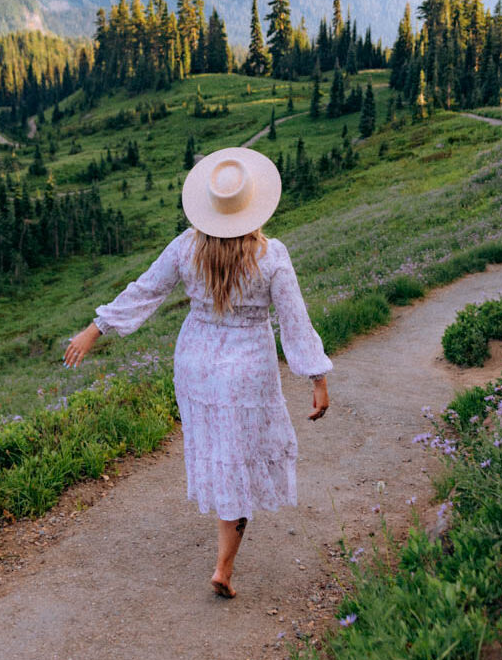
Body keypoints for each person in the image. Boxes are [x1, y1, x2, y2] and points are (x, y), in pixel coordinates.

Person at [64, 146, 331, 599]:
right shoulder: (271, 254)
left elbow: (144, 291)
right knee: (240, 460)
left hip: (197, 366)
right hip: (247, 369)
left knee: (220, 453)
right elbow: (294, 319)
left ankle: (224, 559)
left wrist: (95, 329)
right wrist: (317, 376)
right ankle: (223, 566)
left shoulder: (186, 247)